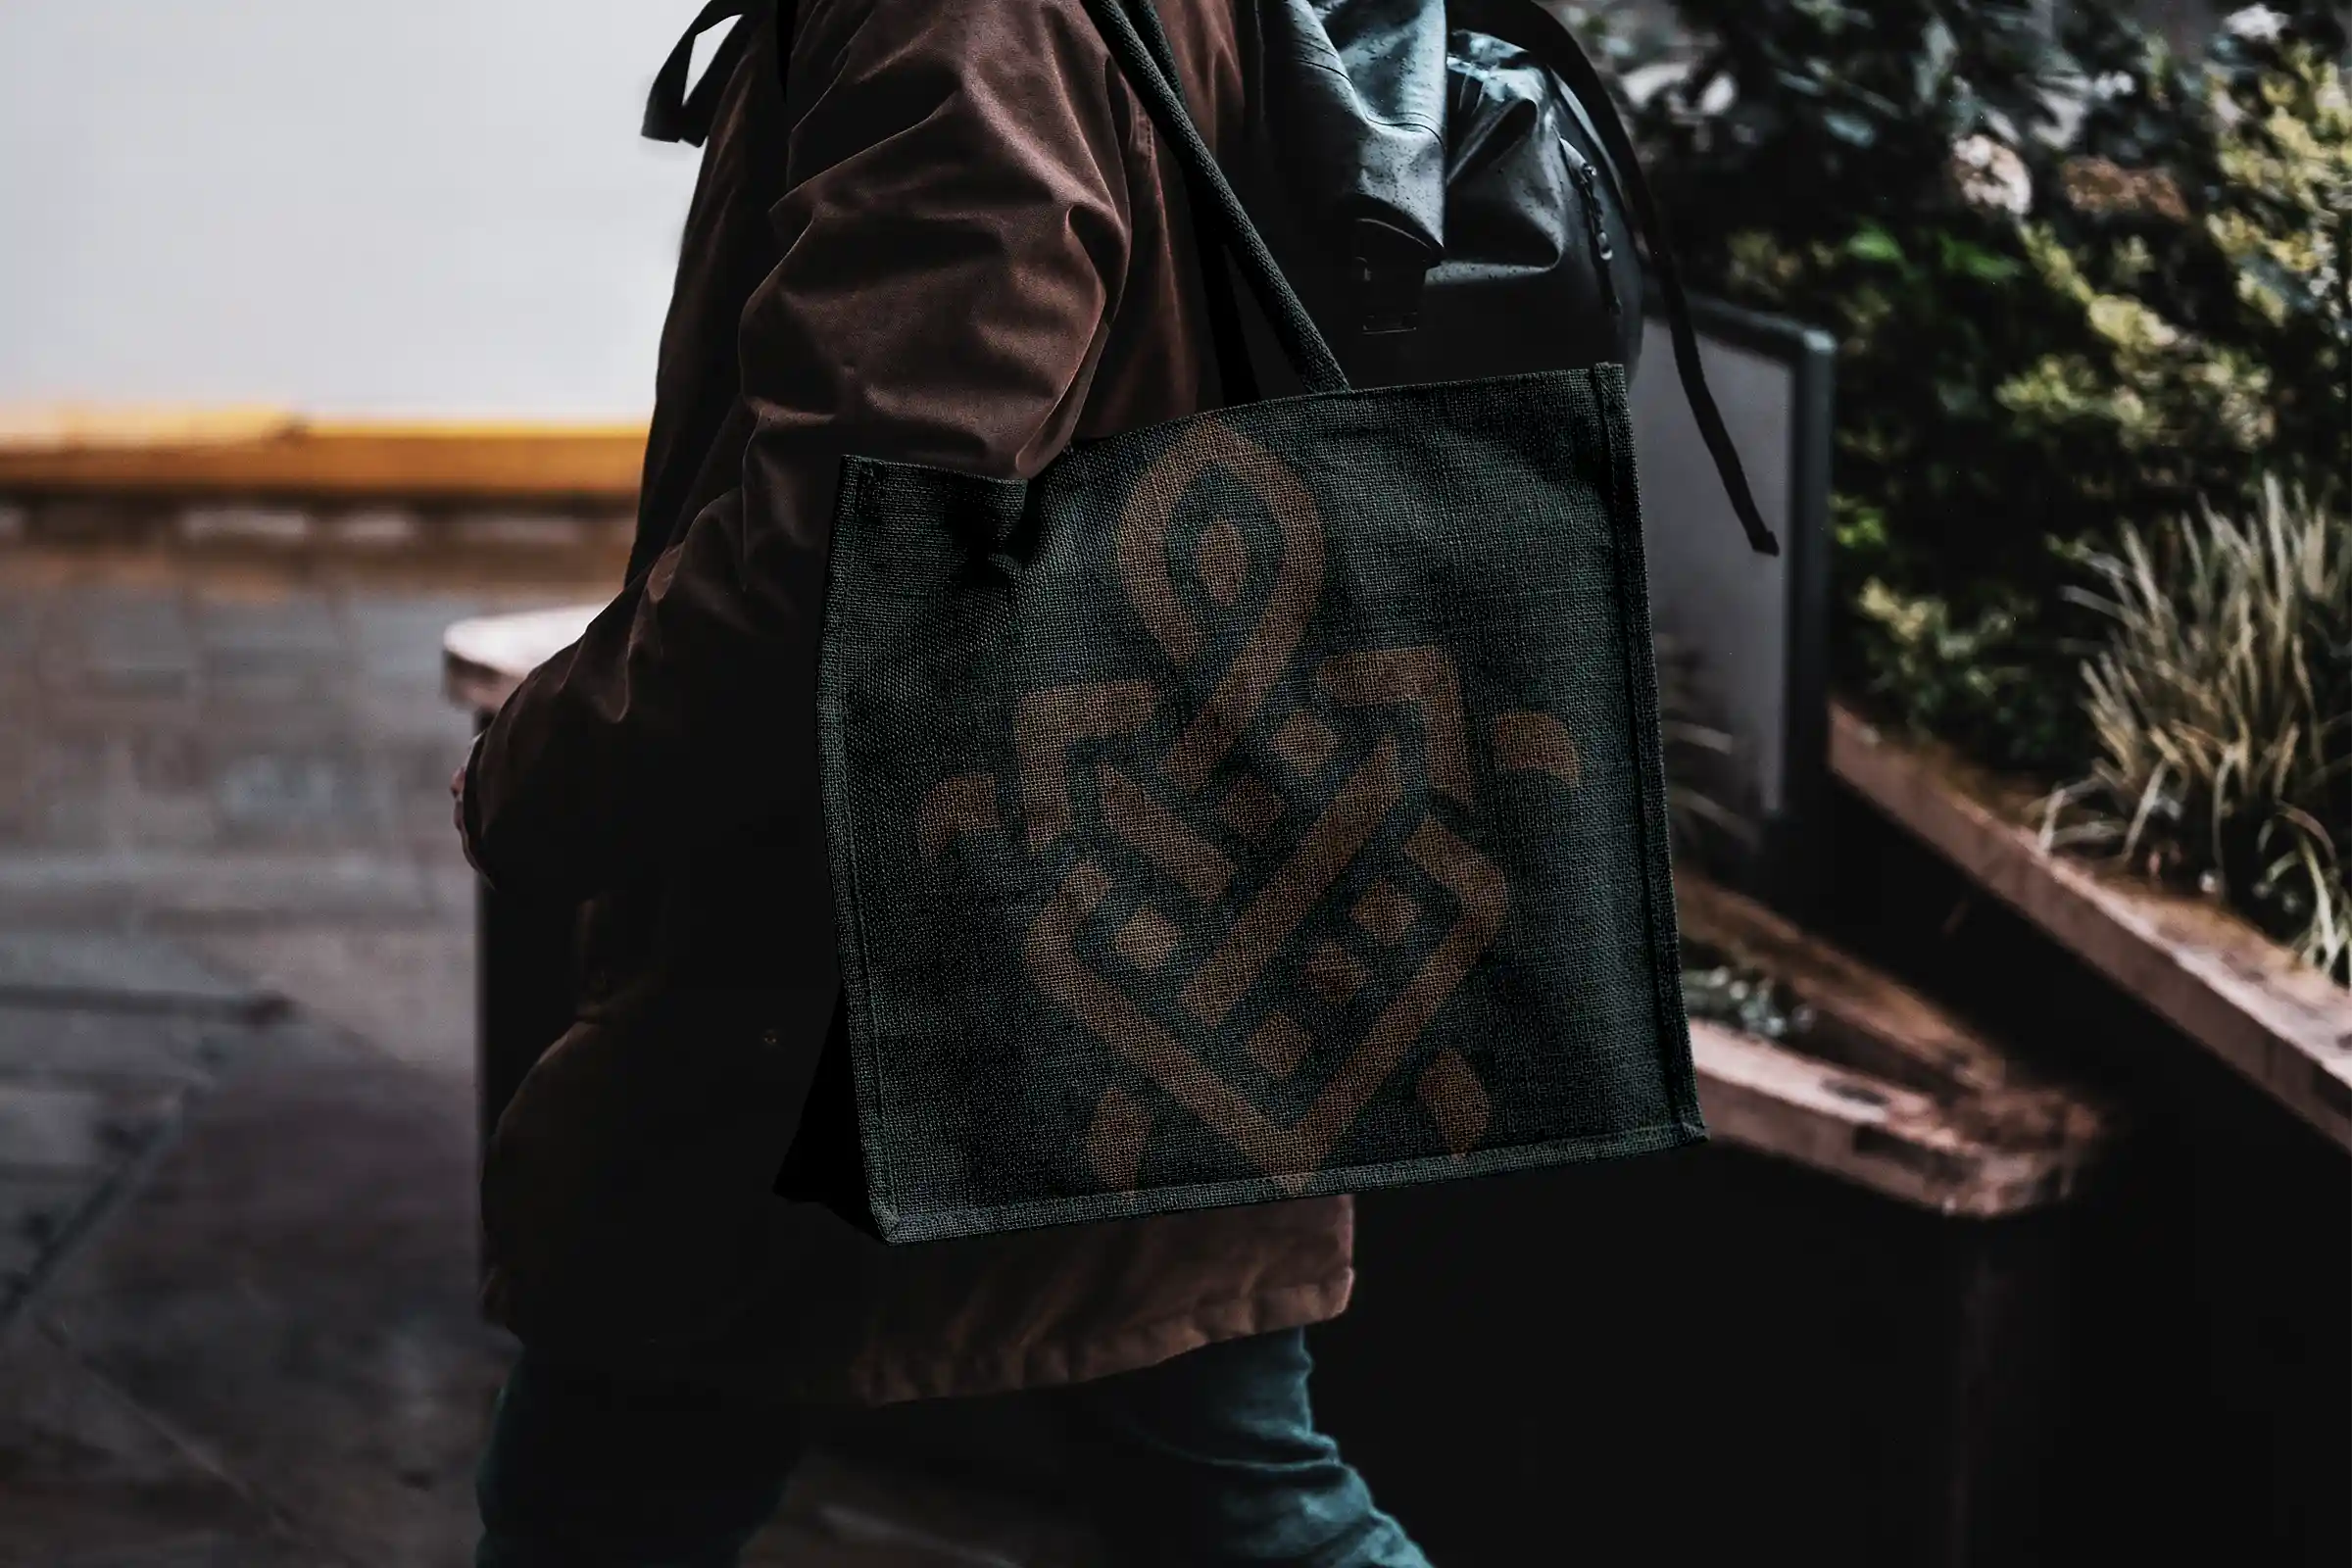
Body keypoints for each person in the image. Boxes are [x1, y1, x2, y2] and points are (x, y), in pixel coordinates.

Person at [450, 0, 1432, 1561]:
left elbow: (862, 527)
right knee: (1232, 1484)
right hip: (1139, 885)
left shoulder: (964, 18)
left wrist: (547, 766)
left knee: (602, 1492)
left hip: (888, 943)